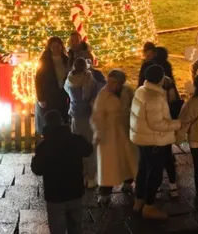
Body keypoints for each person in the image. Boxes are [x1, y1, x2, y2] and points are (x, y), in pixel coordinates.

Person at [129, 64, 180, 220]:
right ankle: (149, 207)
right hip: (154, 141)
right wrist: (177, 124)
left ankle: (139, 201)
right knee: (155, 174)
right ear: (159, 78)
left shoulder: (141, 90)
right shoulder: (154, 97)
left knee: (143, 170)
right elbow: (157, 123)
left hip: (143, 138)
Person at [32, 109, 93, 234]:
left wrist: (34, 159)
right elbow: (88, 149)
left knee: (57, 229)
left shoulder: (43, 146)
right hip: (75, 192)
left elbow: (37, 169)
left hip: (54, 195)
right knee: (76, 227)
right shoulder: (75, 140)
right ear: (61, 122)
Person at [91, 69, 138, 198]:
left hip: (125, 130)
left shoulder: (127, 91)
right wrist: (99, 132)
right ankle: (105, 194)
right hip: (109, 133)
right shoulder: (103, 95)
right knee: (109, 165)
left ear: (121, 83)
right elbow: (97, 116)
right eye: (109, 81)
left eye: (114, 82)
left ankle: (128, 182)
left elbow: (134, 105)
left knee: (128, 160)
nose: (110, 85)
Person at [63, 57, 102, 189]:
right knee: (90, 146)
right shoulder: (89, 79)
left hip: (75, 115)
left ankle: (80, 174)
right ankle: (91, 177)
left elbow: (66, 91)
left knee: (77, 146)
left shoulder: (69, 79)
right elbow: (95, 93)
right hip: (87, 115)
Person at [36, 36, 72, 132]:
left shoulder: (66, 60)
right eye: (54, 46)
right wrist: (41, 98)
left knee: (63, 116)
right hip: (50, 94)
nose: (56, 48)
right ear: (50, 48)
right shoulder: (45, 61)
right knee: (51, 117)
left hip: (63, 93)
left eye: (58, 46)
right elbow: (38, 80)